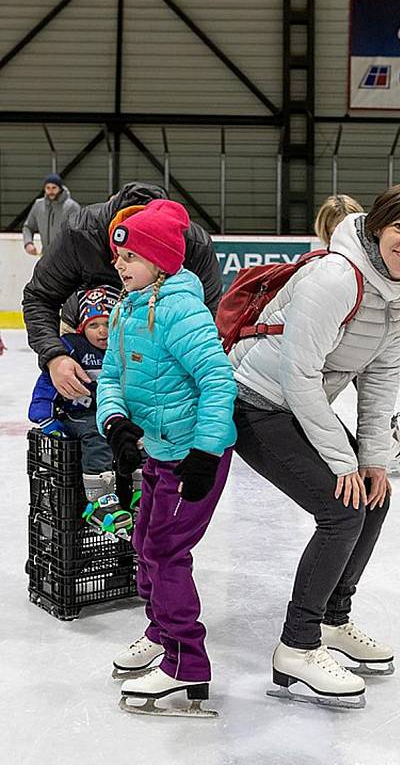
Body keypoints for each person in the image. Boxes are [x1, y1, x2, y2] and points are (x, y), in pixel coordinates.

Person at [230, 182, 400, 708]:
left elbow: (379, 380)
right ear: (377, 225)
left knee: (374, 497)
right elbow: (298, 374)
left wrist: (371, 460)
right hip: (254, 399)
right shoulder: (334, 276)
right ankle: (297, 647)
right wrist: (340, 460)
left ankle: (333, 620)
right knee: (341, 509)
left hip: (299, 402)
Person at [96, 199, 236, 717]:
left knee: (164, 550)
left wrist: (204, 451)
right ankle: (161, 632)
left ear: (159, 258)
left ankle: (187, 662)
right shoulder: (125, 309)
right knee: (144, 543)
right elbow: (111, 376)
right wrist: (114, 420)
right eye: (117, 257)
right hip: (158, 451)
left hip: (193, 457)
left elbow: (218, 381)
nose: (120, 265)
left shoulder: (180, 309)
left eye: (129, 256)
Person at [22, 182, 222, 404]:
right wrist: (55, 356)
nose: (120, 264)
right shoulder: (80, 233)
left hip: (156, 330)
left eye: (134, 255)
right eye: (119, 253)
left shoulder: (194, 244)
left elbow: (207, 320)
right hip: (84, 323)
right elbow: (40, 297)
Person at [27, 285, 135, 538]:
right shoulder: (73, 349)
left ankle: (140, 493)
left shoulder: (123, 349)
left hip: (112, 412)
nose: (102, 332)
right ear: (81, 328)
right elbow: (46, 386)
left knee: (136, 435)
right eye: (93, 325)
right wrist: (46, 419)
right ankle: (99, 500)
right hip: (79, 416)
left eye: (108, 323)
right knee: (97, 434)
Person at [315, 194, 400, 475]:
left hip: (368, 344)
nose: (339, 234)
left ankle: (387, 443)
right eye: (332, 230)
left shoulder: (381, 269)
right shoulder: (324, 267)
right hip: (336, 346)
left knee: (375, 396)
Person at [23, 173, 80, 255]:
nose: (51, 191)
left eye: (54, 188)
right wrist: (28, 243)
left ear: (60, 188)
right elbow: (28, 227)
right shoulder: (38, 205)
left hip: (66, 258)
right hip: (46, 256)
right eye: (48, 188)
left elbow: (80, 232)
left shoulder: (72, 207)